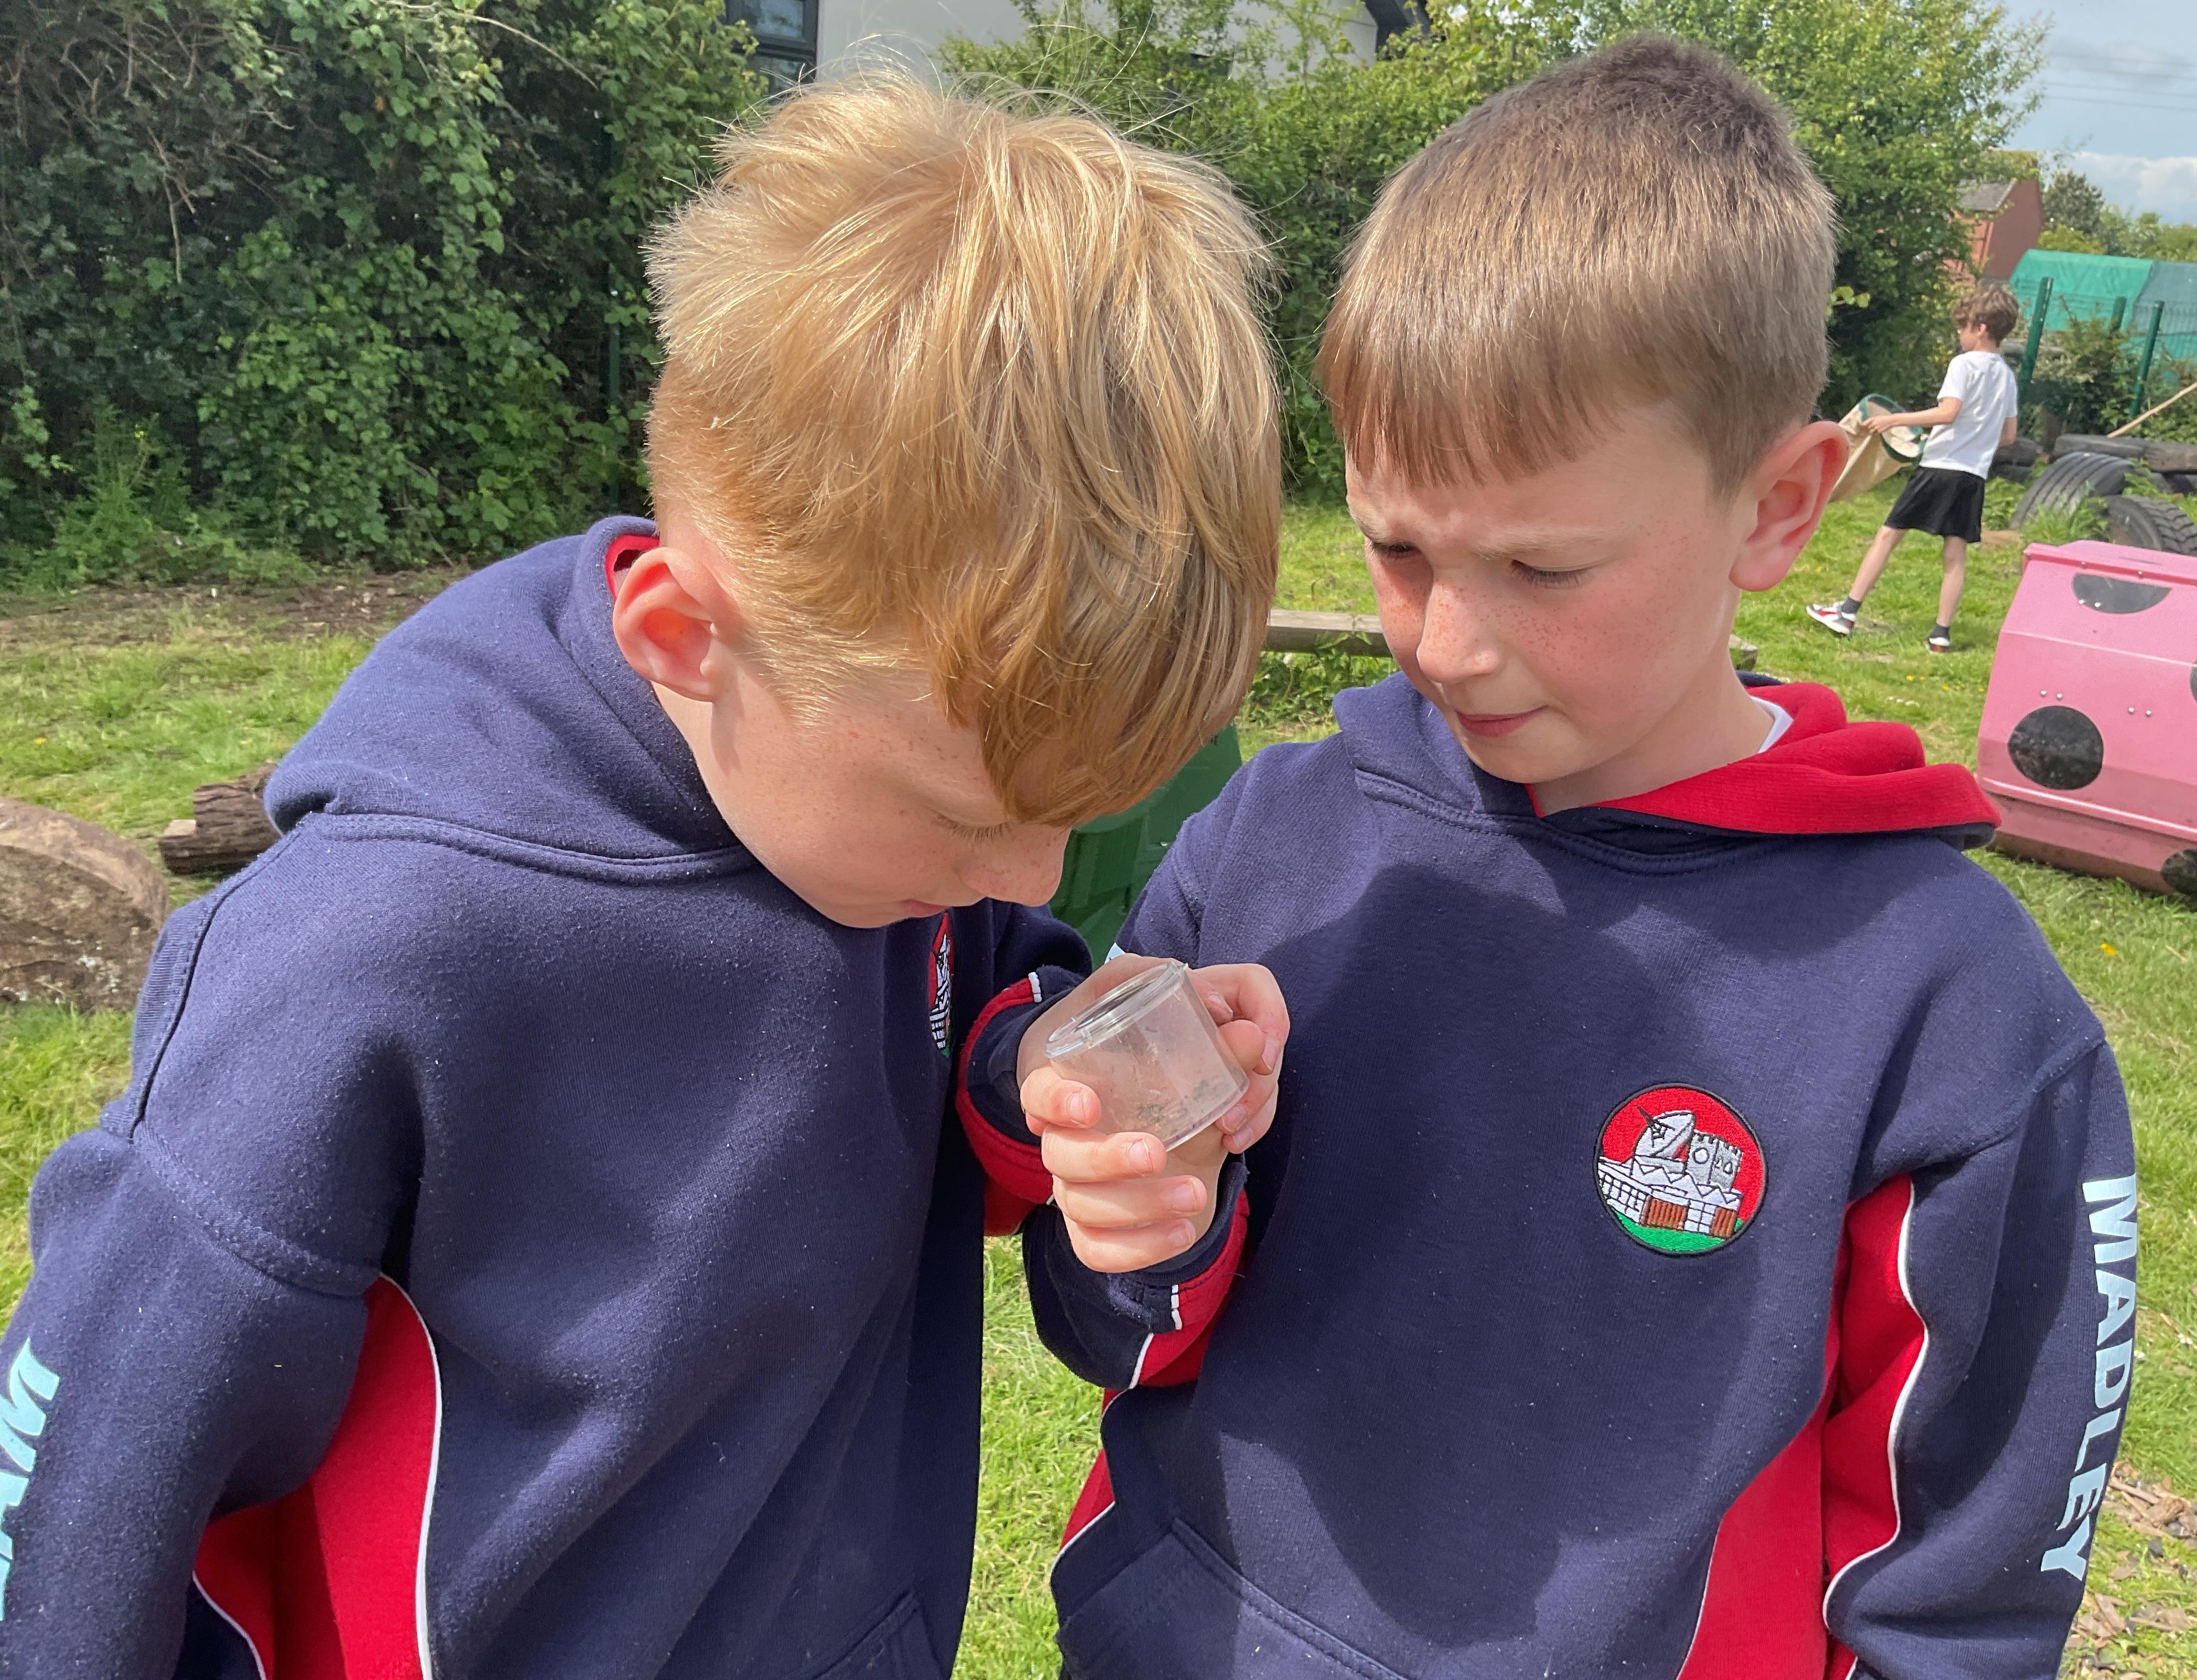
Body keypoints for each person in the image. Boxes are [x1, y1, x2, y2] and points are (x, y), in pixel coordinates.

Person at [0, 78, 1291, 1678]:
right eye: (964, 825)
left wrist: (1077, 1104)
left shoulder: (874, 837)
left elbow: (978, 1058)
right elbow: (93, 1463)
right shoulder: (371, 952)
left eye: (1077, 819)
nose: (1024, 874)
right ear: (685, 638)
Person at [962, 38, 2134, 1680]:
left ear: (1779, 506)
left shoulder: (1950, 1012)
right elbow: (1116, 1331)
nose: (1448, 642)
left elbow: (1966, 1575)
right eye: (1397, 546)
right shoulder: (1267, 846)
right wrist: (1149, 1221)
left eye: (1544, 567)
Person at [1808, 285, 2023, 652]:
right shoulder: (2007, 376)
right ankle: (1941, 634)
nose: (1960, 334)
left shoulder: (1964, 365)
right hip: (1972, 477)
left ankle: (1846, 613)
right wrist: (1975, 439)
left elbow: (1948, 412)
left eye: (1964, 327)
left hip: (1940, 468)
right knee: (1955, 555)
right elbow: (2008, 435)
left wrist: (1894, 420)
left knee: (1888, 536)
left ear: (1982, 328)